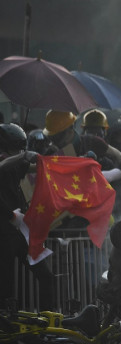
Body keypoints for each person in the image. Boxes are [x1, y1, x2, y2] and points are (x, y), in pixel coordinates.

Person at [0, 123, 56, 312]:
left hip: (21, 232)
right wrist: (22, 155)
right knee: (5, 285)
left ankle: (46, 322)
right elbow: (4, 165)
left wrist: (61, 163)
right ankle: (6, 333)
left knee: (46, 276)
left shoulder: (17, 162)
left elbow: (34, 167)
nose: (18, 151)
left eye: (20, 147)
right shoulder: (9, 162)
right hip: (3, 232)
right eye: (14, 147)